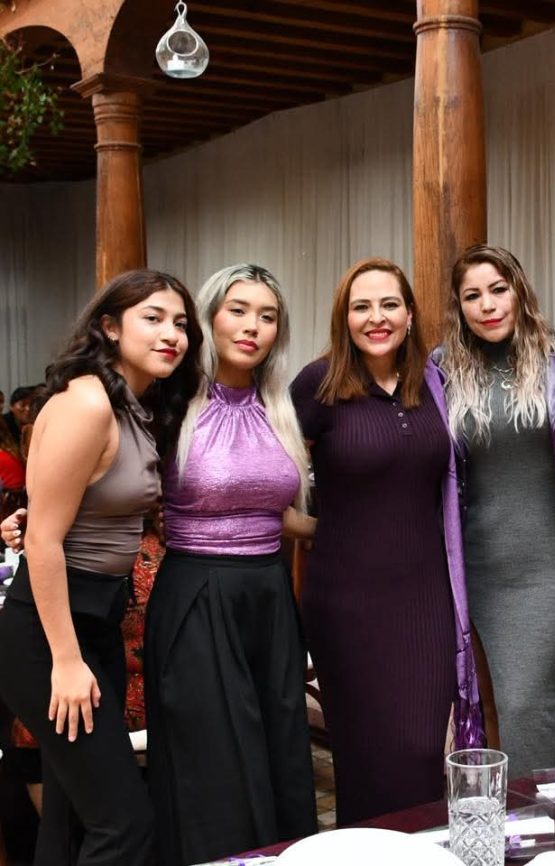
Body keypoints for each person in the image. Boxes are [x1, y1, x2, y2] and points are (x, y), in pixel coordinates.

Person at [0, 270, 202, 866]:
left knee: (69, 821)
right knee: (125, 822)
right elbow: (43, 542)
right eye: (153, 319)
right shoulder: (87, 402)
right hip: (50, 635)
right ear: (110, 328)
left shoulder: (134, 406)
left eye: (180, 323)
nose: (171, 334)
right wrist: (66, 661)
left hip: (97, 622)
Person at [290, 257, 482, 825]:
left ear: (410, 313)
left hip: (427, 597)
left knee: (421, 749)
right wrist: (321, 528)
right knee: (364, 757)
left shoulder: (436, 383)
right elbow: (266, 479)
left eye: (389, 304)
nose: (377, 317)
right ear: (343, 318)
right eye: (362, 307)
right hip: (346, 604)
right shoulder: (318, 385)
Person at [144, 264, 317, 865]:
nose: (252, 327)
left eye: (267, 317)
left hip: (269, 593)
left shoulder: (280, 406)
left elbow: (276, 512)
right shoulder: (170, 400)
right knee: (214, 762)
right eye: (238, 310)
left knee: (280, 747)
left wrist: (351, 535)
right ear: (208, 317)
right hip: (197, 592)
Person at [438, 244, 555, 779]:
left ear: (519, 291)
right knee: (492, 705)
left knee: (527, 704)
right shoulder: (441, 370)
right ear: (459, 307)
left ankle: (540, 819)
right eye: (472, 296)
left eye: (498, 290)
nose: (487, 305)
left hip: (550, 568)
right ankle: (504, 813)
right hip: (474, 570)